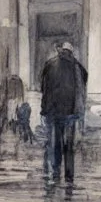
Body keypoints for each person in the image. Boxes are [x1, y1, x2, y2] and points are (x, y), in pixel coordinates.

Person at [40, 41, 88, 183]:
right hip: (71, 113)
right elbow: (82, 87)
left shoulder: (49, 65)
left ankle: (55, 173)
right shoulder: (77, 67)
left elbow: (44, 88)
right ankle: (69, 175)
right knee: (69, 146)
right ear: (71, 52)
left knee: (55, 144)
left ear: (60, 51)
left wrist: (44, 110)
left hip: (54, 113)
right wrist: (80, 114)